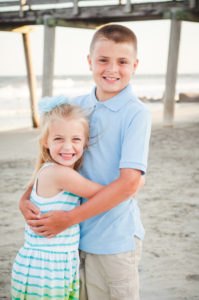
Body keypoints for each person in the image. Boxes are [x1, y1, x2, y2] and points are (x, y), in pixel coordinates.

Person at [19, 24, 151, 300]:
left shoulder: (136, 113)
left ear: (135, 65)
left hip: (114, 238)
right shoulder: (77, 106)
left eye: (122, 62)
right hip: (73, 240)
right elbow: (49, 157)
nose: (112, 69)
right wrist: (26, 197)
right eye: (103, 60)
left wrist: (68, 219)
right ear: (90, 61)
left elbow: (130, 184)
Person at [11, 97, 106, 299]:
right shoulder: (61, 174)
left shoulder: (51, 171)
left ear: (85, 141)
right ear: (46, 141)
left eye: (76, 139)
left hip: (52, 265)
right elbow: (105, 194)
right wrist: (132, 183)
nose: (67, 147)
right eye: (58, 139)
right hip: (45, 271)